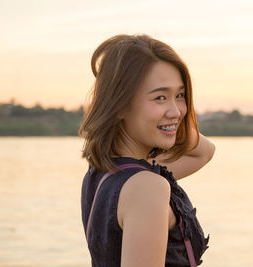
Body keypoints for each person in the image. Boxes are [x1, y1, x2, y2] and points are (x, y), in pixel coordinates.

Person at [79, 34, 215, 267]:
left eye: (179, 95)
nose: (176, 110)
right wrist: (168, 121)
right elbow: (204, 151)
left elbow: (204, 152)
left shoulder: (104, 173)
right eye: (160, 97)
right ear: (119, 104)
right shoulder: (146, 188)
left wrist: (169, 121)